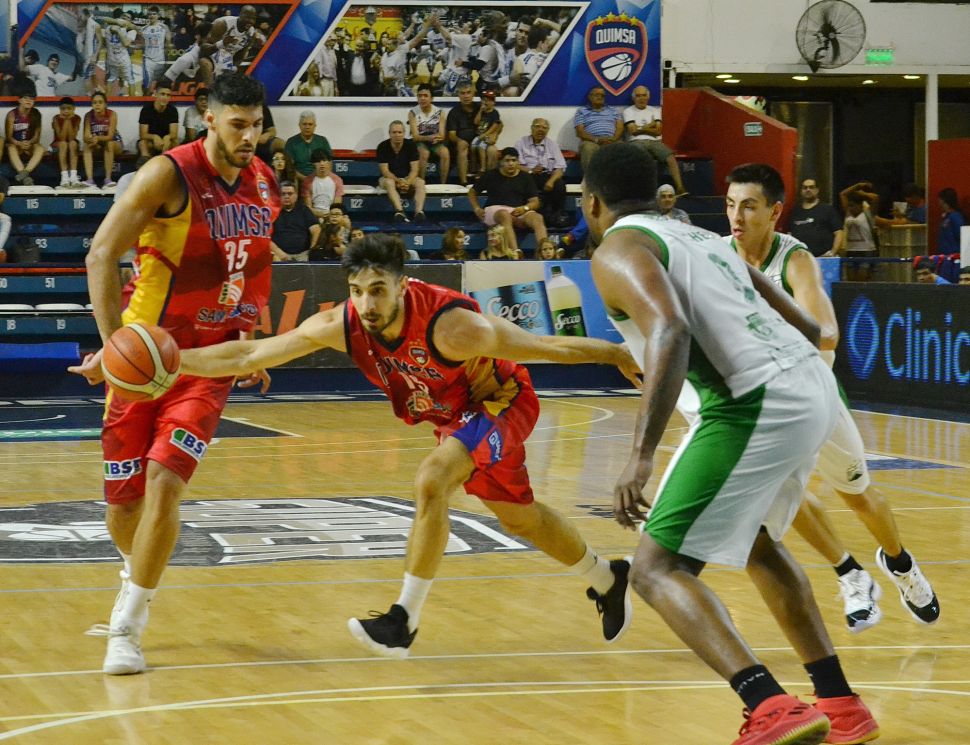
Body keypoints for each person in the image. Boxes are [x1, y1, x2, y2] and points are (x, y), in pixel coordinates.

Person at [176, 232, 640, 658]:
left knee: (432, 479)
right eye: (357, 291)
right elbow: (248, 353)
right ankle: (607, 577)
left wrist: (616, 353)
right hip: (456, 417)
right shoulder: (343, 323)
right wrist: (173, 361)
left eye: (378, 290)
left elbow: (544, 346)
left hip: (503, 401)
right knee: (520, 519)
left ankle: (403, 620)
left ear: (402, 285)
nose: (367, 303)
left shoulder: (454, 327)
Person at [583, 142, 879, 745]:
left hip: (753, 402)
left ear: (592, 202)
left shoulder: (618, 249)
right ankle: (840, 704)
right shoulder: (703, 238)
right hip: (812, 388)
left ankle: (769, 705)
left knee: (656, 569)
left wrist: (640, 455)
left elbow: (669, 328)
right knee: (758, 543)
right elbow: (807, 325)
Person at [68, 72, 279, 676]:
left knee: (164, 481)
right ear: (208, 118)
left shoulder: (265, 182)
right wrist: (114, 346)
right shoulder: (168, 174)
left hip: (206, 362)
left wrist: (247, 332)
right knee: (123, 502)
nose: (249, 136)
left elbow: (250, 266)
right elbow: (101, 254)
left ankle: (128, 626)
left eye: (256, 125)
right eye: (237, 124)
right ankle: (133, 572)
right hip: (145, 356)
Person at [726, 163, 939, 635]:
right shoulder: (717, 257)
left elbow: (827, 333)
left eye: (749, 206)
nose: (737, 216)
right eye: (730, 205)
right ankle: (851, 574)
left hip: (814, 395)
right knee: (780, 493)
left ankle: (900, 564)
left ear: (774, 212)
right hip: (765, 405)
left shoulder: (794, 260)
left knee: (858, 496)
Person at [468, 147, 547, 258]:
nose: (511, 164)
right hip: (495, 210)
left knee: (538, 218)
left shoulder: (525, 177)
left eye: (514, 160)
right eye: (507, 160)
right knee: (504, 215)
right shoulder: (491, 175)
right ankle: (515, 253)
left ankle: (544, 251)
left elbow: (535, 202)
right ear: (501, 162)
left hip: (518, 210)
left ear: (518, 162)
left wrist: (525, 208)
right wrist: (476, 208)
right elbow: (472, 192)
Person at [623, 85, 687, 195]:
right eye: (638, 96)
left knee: (670, 158)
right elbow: (632, 131)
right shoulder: (628, 111)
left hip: (655, 141)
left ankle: (680, 188)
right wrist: (650, 125)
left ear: (648, 97)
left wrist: (640, 128)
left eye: (644, 95)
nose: (641, 98)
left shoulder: (655, 110)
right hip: (635, 141)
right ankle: (639, 191)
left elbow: (658, 131)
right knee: (639, 159)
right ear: (634, 98)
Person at [514, 117, 567, 228]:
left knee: (559, 184)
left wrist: (551, 181)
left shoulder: (552, 144)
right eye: (538, 126)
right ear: (532, 128)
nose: (541, 130)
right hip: (528, 176)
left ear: (547, 131)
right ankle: (538, 216)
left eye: (544, 128)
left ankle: (557, 214)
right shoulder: (521, 143)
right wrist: (530, 170)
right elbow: (515, 165)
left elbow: (560, 167)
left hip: (547, 176)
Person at [376, 120, 426, 223]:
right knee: (389, 182)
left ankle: (419, 212)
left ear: (404, 133)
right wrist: (398, 181)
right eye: (394, 132)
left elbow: (415, 169)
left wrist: (407, 182)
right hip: (389, 178)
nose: (397, 135)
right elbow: (385, 171)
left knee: (421, 182)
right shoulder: (382, 146)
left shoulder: (411, 145)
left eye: (400, 132)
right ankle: (400, 211)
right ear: (389, 133)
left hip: (408, 177)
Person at [788, 178, 843, 257]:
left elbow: (839, 233)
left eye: (811, 187)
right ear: (801, 191)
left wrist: (833, 252)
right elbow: (790, 235)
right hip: (800, 259)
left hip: (823, 258)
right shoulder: (795, 211)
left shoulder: (827, 209)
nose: (808, 190)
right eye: (805, 188)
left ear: (817, 190)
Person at [408, 83, 450, 184]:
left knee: (445, 153)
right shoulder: (412, 113)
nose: (422, 98)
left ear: (431, 98)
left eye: (425, 96)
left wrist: (436, 138)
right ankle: (421, 182)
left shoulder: (440, 112)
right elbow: (415, 137)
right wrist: (428, 138)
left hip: (434, 141)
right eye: (420, 96)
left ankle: (443, 184)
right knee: (424, 153)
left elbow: (442, 135)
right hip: (420, 141)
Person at [573, 86, 622, 172]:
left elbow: (620, 127)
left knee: (623, 147)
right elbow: (580, 132)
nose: (600, 97)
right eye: (597, 95)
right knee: (587, 148)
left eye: (602, 95)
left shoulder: (613, 110)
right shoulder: (582, 111)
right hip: (591, 141)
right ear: (590, 97)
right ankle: (590, 178)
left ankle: (620, 178)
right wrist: (597, 140)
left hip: (611, 139)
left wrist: (613, 139)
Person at [838, 183, 879, 282]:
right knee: (851, 280)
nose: (851, 208)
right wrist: (857, 186)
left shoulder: (868, 213)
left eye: (853, 206)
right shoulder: (848, 214)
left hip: (867, 250)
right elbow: (843, 194)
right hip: (851, 250)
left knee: (862, 279)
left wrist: (862, 193)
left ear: (860, 205)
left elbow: (876, 198)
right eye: (850, 206)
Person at [83, 91, 124, 188]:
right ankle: (90, 180)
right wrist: (91, 140)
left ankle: (108, 179)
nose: (97, 105)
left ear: (105, 104)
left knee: (109, 144)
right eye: (94, 102)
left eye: (100, 102)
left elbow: (110, 136)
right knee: (86, 146)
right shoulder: (88, 115)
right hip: (98, 144)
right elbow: (85, 137)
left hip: (114, 143)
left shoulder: (112, 114)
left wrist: (97, 138)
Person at [272, 180, 320, 261]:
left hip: (303, 255)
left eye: (290, 194)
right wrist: (277, 251)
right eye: (283, 194)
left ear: (296, 196)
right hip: (278, 255)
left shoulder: (304, 210)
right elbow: (265, 236)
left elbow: (316, 229)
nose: (286, 197)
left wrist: (312, 250)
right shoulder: (272, 211)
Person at [5, 87, 45, 186]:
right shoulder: (12, 114)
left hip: (29, 145)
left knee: (40, 148)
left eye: (31, 99)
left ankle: (25, 172)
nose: (29, 101)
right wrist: (19, 143)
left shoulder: (36, 114)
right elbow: (9, 137)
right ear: (19, 100)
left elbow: (37, 136)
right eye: (26, 98)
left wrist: (29, 143)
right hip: (16, 145)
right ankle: (25, 177)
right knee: (10, 147)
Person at [445, 83, 480, 186]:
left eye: (468, 92)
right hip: (459, 145)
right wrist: (460, 141)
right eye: (463, 93)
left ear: (473, 94)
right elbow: (451, 135)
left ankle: (489, 182)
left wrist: (493, 134)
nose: (466, 96)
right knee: (462, 145)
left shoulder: (481, 108)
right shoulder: (453, 112)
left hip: (479, 142)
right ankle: (464, 182)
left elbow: (497, 123)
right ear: (458, 95)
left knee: (492, 150)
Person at [137, 84, 179, 164]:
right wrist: (154, 137)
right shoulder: (146, 110)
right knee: (142, 143)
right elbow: (143, 134)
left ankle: (172, 165)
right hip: (151, 141)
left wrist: (167, 137)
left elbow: (174, 133)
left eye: (168, 95)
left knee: (175, 142)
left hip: (166, 141)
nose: (165, 97)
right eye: (162, 94)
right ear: (156, 94)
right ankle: (145, 165)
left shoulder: (172, 110)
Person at [284, 111, 333, 179]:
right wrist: (306, 179)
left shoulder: (322, 141)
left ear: (315, 126)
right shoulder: (291, 142)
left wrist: (319, 178)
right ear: (299, 125)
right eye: (304, 124)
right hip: (298, 179)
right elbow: (289, 167)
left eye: (310, 124)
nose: (307, 127)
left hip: (320, 178)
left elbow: (329, 163)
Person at [301, 149, 345, 219]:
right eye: (318, 161)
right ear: (313, 163)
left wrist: (330, 215)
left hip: (332, 215)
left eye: (324, 160)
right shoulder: (307, 181)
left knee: (346, 221)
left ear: (329, 162)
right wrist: (319, 214)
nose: (321, 164)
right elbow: (308, 207)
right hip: (314, 216)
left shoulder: (337, 180)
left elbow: (337, 205)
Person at [470, 90, 502, 178]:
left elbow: (495, 126)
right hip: (478, 135)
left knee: (481, 146)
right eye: (484, 100)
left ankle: (483, 169)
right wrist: (480, 110)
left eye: (488, 100)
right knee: (473, 146)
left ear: (493, 102)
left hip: (487, 136)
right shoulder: (480, 111)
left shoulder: (495, 113)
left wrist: (485, 134)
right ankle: (473, 167)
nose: (485, 102)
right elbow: (476, 122)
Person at [52, 97, 81, 188]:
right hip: (58, 144)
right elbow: (62, 138)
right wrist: (66, 120)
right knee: (63, 144)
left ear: (74, 109)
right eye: (63, 109)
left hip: (71, 144)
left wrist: (68, 120)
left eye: (69, 108)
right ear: (59, 109)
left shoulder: (77, 118)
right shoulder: (56, 118)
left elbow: (72, 137)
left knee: (73, 143)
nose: (66, 111)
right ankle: (64, 177)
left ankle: (73, 176)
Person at [937, 187, 965, 254]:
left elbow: (961, 235)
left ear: (943, 200)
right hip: (945, 255)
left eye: (939, 199)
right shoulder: (946, 216)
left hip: (953, 255)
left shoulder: (956, 217)